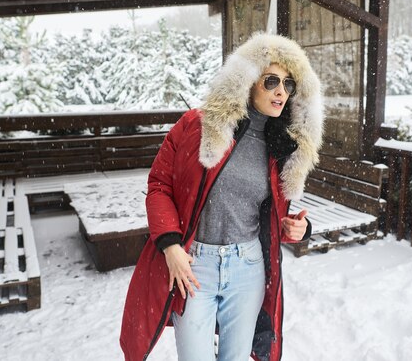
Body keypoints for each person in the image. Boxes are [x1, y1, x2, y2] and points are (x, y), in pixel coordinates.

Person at [120, 33, 325, 361]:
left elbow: (273, 216)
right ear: (247, 81)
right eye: (271, 80)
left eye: (289, 84)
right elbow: (160, 186)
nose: (280, 91)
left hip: (248, 267)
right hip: (193, 267)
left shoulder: (281, 146)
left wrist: (299, 229)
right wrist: (171, 245)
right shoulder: (197, 126)